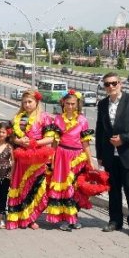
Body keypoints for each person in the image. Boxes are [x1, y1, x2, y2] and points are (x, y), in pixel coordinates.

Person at [96, 72, 129, 237]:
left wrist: (123, 139)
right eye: (107, 84)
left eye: (114, 83)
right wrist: (99, 154)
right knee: (113, 191)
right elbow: (100, 131)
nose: (111, 87)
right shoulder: (103, 104)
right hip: (111, 156)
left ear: (120, 83)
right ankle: (115, 221)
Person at [46, 90, 95, 231]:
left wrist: (90, 160)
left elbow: (85, 142)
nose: (70, 106)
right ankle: (66, 219)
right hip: (61, 155)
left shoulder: (82, 120)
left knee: (74, 188)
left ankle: (74, 217)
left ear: (77, 104)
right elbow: (55, 142)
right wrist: (51, 158)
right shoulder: (58, 119)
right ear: (63, 103)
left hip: (76, 157)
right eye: (67, 103)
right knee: (62, 187)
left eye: (73, 104)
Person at [7, 90, 55, 230]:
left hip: (37, 158)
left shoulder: (44, 118)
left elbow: (51, 138)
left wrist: (34, 143)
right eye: (25, 102)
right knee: (21, 187)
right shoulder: (17, 117)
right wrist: (19, 140)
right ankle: (19, 216)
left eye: (30, 102)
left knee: (35, 187)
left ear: (36, 102)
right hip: (21, 158)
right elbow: (10, 137)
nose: (27, 105)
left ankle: (31, 218)